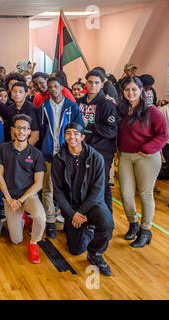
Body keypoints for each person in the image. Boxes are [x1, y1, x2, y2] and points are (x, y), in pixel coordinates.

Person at [52, 122, 114, 276]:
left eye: (75, 133)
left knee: (107, 225)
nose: (72, 136)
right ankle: (84, 227)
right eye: (68, 133)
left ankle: (95, 253)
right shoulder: (58, 159)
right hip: (72, 209)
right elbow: (58, 192)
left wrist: (81, 212)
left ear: (82, 137)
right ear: (64, 137)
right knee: (75, 250)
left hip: (93, 205)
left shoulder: (96, 157)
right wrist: (72, 215)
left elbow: (98, 190)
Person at [116, 76, 168, 247]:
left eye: (134, 89)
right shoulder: (121, 109)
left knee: (145, 194)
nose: (130, 93)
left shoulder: (151, 110)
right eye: (127, 89)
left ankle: (146, 230)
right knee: (126, 194)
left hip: (146, 157)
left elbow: (163, 135)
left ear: (141, 91)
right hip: (125, 156)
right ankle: (133, 224)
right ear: (122, 92)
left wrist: (146, 149)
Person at [38, 76, 85, 238]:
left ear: (62, 87)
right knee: (48, 189)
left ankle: (68, 220)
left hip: (68, 154)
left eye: (55, 86)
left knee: (69, 189)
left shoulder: (72, 106)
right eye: (49, 87)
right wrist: (45, 146)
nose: (52, 89)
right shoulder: (44, 106)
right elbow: (42, 130)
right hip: (49, 154)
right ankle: (50, 222)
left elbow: (80, 127)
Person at [0, 114, 47, 264]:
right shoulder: (4, 148)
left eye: (25, 128)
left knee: (40, 217)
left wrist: (21, 200)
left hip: (28, 196)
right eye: (18, 127)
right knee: (16, 240)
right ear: (13, 130)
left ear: (29, 131)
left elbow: (38, 184)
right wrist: (10, 199)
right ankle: (22, 217)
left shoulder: (36, 154)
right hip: (10, 197)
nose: (21, 131)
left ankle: (33, 243)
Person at [78, 70, 118, 213]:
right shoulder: (80, 102)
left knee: (101, 184)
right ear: (86, 83)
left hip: (102, 152)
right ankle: (87, 215)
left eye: (96, 82)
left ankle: (106, 217)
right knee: (83, 183)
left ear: (102, 84)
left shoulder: (107, 104)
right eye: (90, 82)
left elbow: (111, 131)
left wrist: (89, 125)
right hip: (82, 149)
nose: (93, 85)